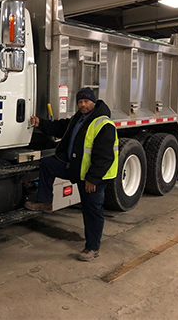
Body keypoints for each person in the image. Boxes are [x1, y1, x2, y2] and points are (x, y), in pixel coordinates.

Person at [25, 87, 118, 261]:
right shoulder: (79, 119)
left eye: (86, 101)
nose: (83, 105)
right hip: (76, 168)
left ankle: (92, 248)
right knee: (48, 164)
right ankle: (45, 202)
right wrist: (40, 123)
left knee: (92, 211)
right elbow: (61, 127)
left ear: (93, 102)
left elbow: (105, 157)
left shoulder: (103, 124)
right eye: (80, 102)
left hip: (93, 177)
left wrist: (93, 179)